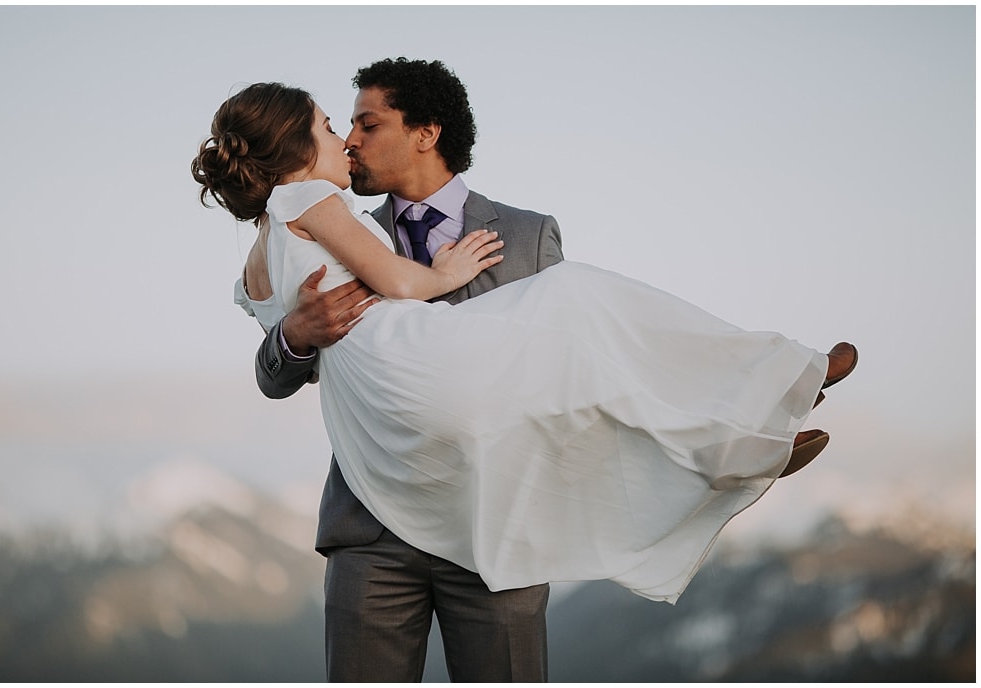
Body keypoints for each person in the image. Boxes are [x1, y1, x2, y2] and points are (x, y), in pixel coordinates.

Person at [195, 61, 855, 682]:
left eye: (367, 125)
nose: (351, 140)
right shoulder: (336, 220)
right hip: (374, 530)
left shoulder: (527, 233)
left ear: (426, 134)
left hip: (497, 526)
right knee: (591, 304)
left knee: (598, 346)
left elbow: (581, 388)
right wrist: (295, 336)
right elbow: (275, 367)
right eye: (339, 126)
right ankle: (768, 400)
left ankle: (758, 423)